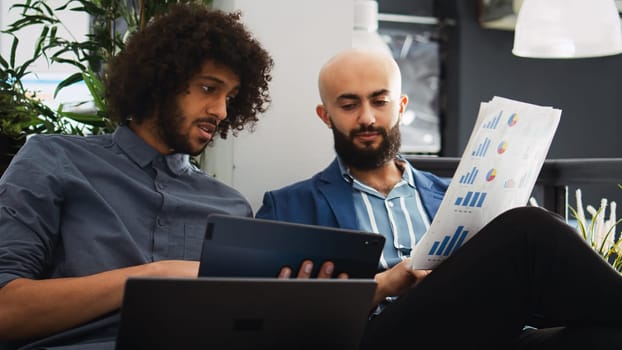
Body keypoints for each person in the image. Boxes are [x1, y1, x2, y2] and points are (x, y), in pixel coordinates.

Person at [256, 48, 622, 349]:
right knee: (530, 228)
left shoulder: (454, 195)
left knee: (606, 337)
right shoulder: (288, 207)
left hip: (488, 334)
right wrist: (384, 285)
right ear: (326, 115)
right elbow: (265, 320)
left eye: (379, 101)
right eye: (349, 105)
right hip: (374, 339)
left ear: (400, 105)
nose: (367, 117)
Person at [0, 3, 273, 349]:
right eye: (209, 89)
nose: (220, 111)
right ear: (161, 81)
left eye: (230, 98)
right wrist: (154, 275)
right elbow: (5, 309)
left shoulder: (229, 207)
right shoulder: (53, 160)